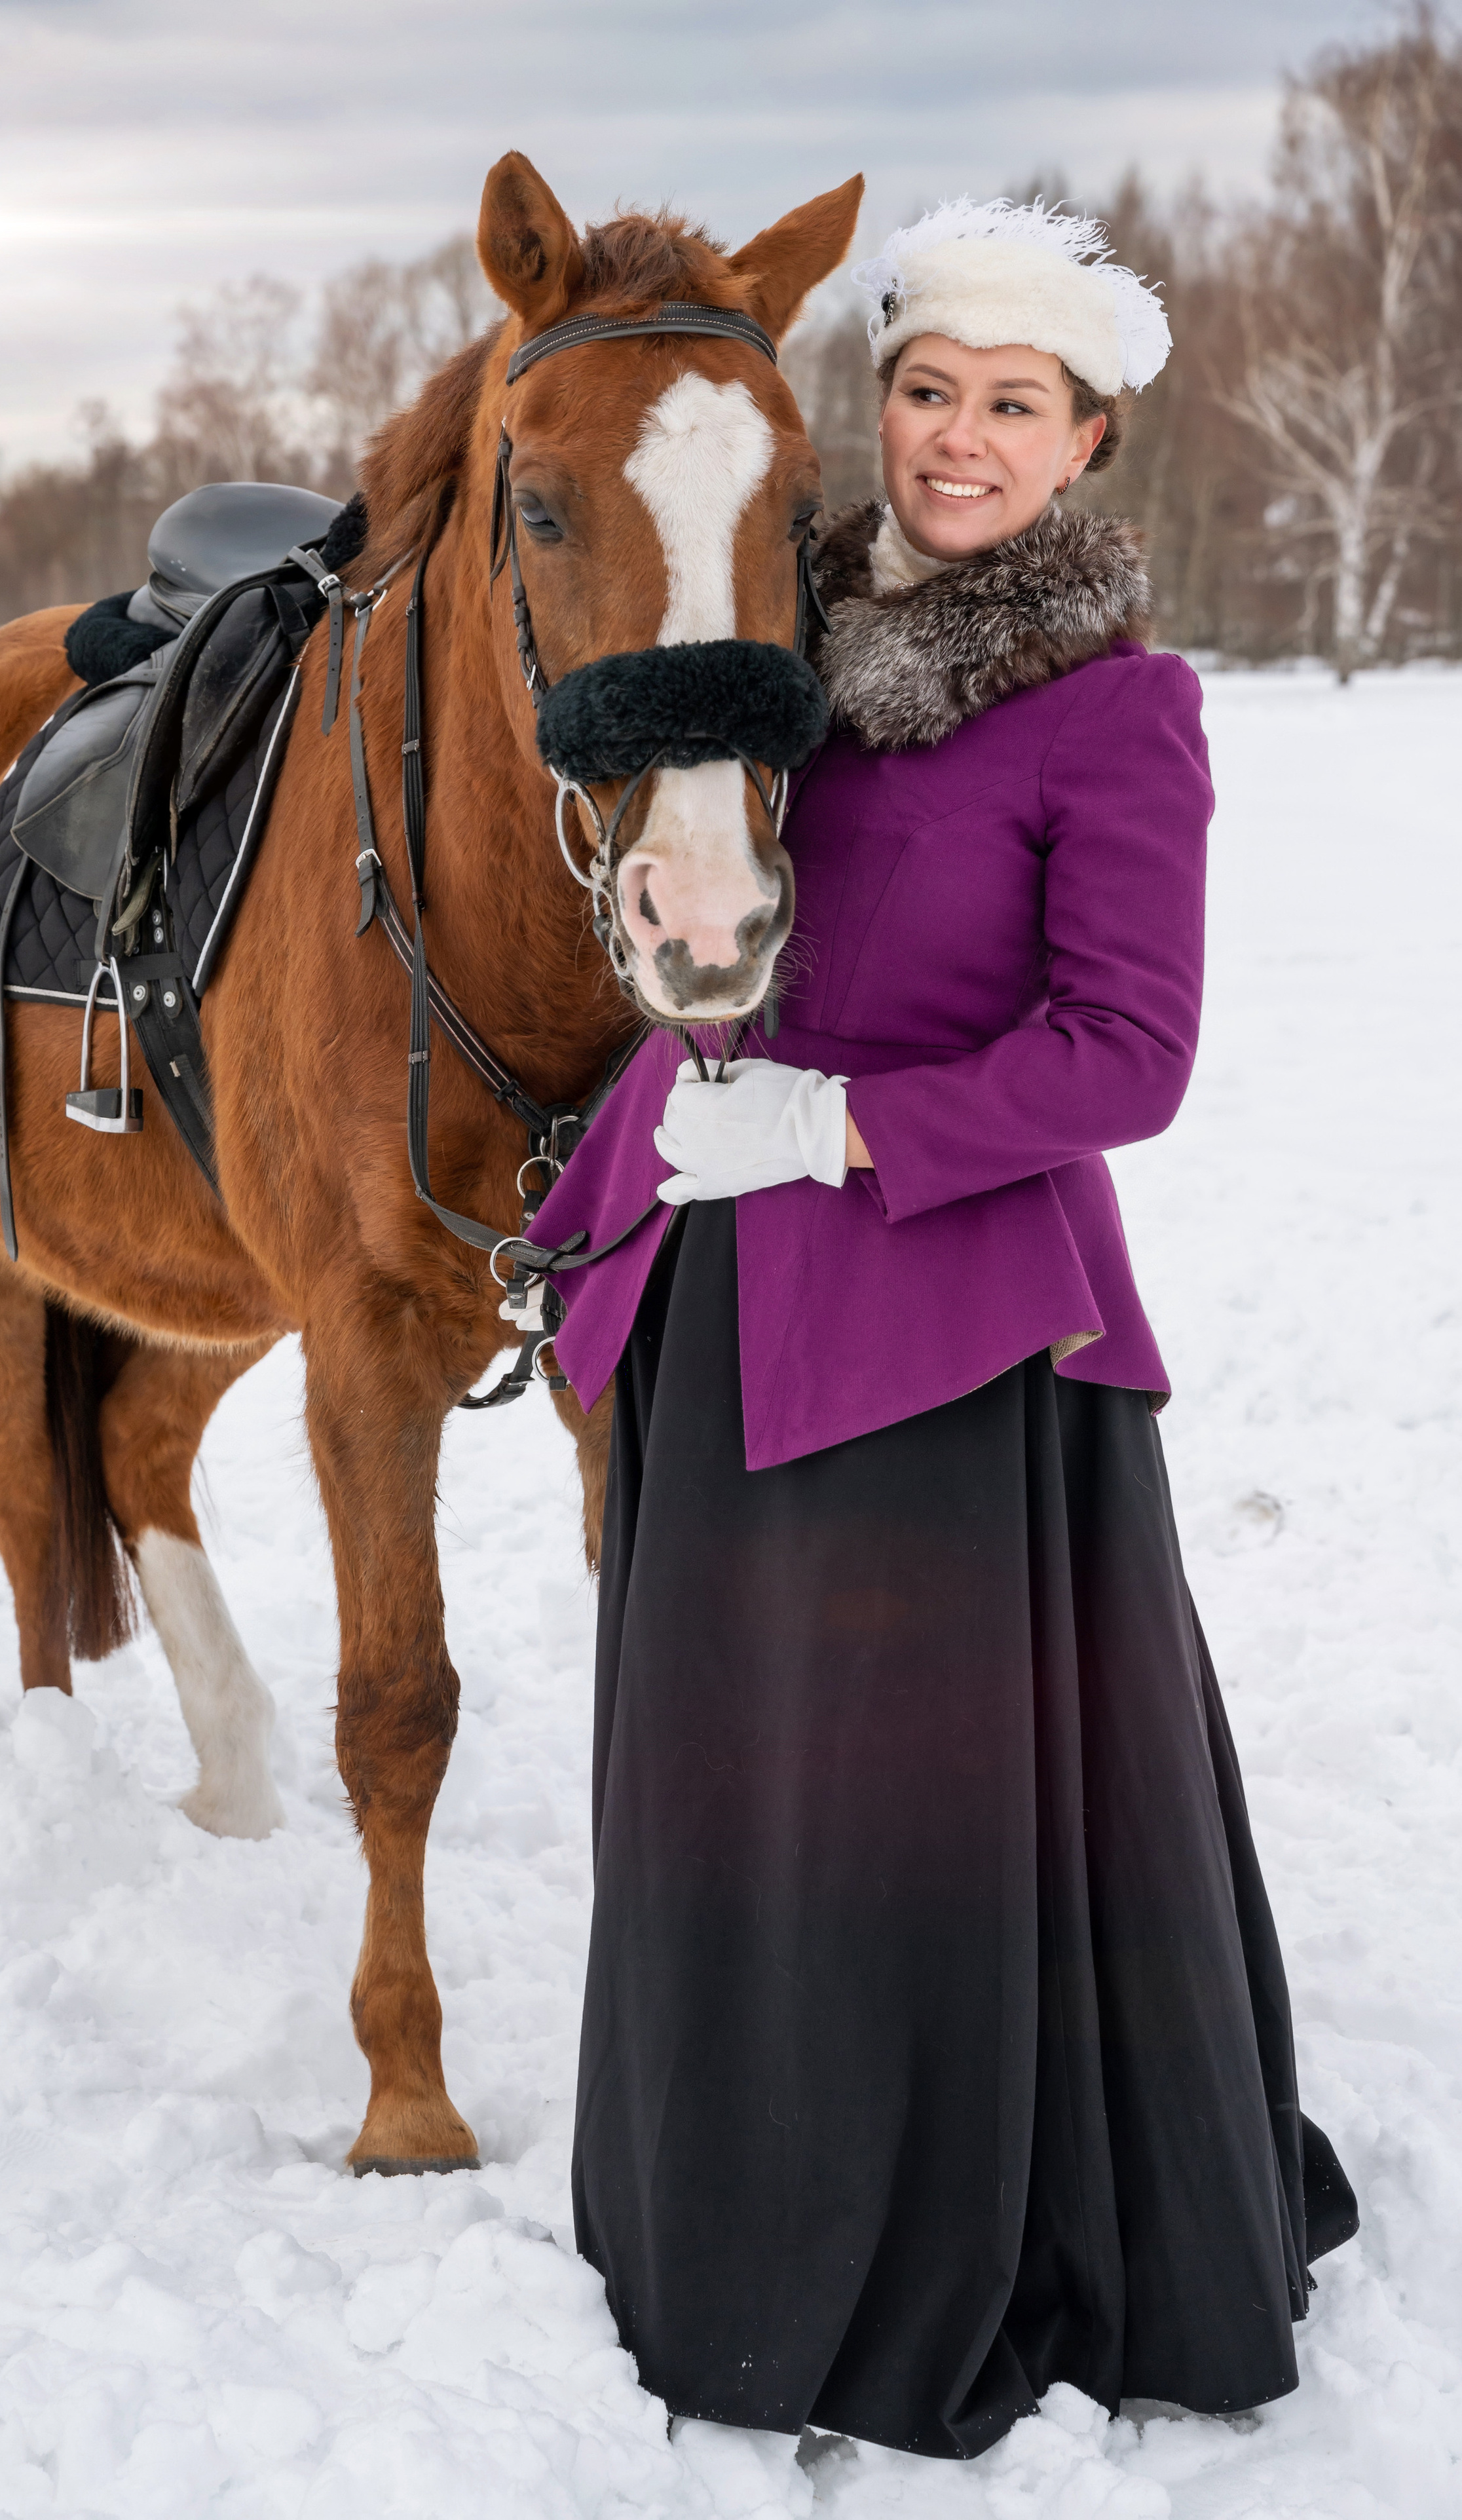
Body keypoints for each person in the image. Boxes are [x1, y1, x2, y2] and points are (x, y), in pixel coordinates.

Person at [529, 198, 1358, 2461]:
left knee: (902, 1816)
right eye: (926, 389)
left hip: (950, 1341)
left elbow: (1131, 1057)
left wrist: (838, 1132)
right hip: (718, 1267)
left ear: (1086, 442)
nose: (959, 436)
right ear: (871, 403)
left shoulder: (1116, 713)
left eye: (1015, 404)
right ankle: (715, 2197)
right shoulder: (772, 641)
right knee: (721, 1779)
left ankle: (919, 2247)